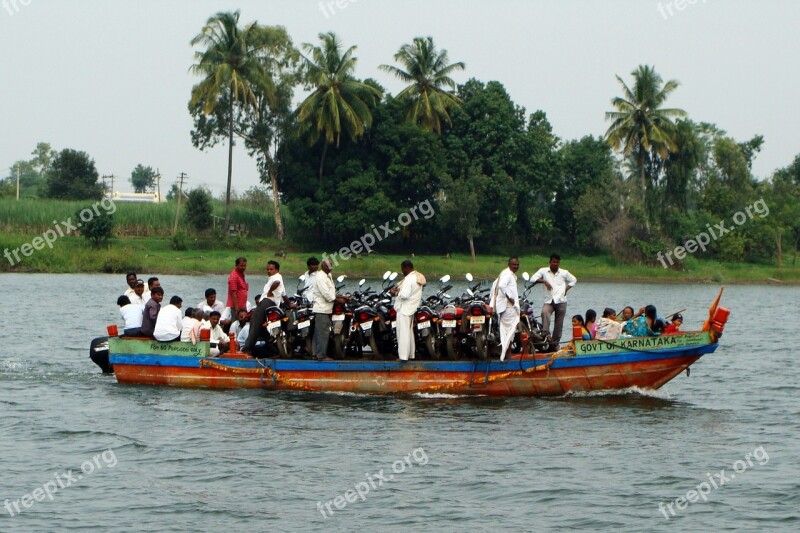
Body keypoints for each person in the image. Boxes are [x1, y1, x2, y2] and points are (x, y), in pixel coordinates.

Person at [242, 260, 296, 354]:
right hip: (271, 304)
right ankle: (273, 349)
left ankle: (247, 349)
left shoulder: (277, 277)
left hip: (266, 303)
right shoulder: (275, 278)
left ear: (277, 270)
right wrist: (289, 305)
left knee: (255, 324)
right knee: (262, 328)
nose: (269, 271)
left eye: (271, 269)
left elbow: (276, 283)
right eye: (267, 269)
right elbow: (284, 294)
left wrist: (270, 291)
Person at [530, 253, 577, 349]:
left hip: (561, 301)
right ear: (550, 262)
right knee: (545, 312)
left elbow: (574, 280)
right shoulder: (543, 271)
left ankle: (554, 344)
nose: (555, 264)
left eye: (557, 262)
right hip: (549, 301)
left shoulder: (564, 272)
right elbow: (532, 279)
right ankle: (545, 335)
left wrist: (566, 289)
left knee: (559, 324)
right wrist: (544, 281)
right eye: (554, 262)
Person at [390, 260, 425, 361]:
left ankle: (403, 357)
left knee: (403, 334)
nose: (402, 271)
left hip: (404, 309)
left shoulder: (409, 279)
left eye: (402, 269)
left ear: (406, 268)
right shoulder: (418, 277)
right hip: (411, 308)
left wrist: (395, 293)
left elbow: (404, 295)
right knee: (409, 333)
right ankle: (411, 355)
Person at [311, 259, 344, 361]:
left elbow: (330, 292)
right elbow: (326, 295)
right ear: (322, 266)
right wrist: (338, 299)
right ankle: (321, 356)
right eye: (327, 266)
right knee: (323, 333)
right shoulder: (321, 277)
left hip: (326, 308)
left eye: (331, 266)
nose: (330, 268)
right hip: (322, 309)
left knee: (318, 333)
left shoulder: (328, 275)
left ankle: (315, 354)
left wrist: (340, 296)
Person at [489, 257, 521, 361]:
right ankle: (507, 354)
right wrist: (509, 297)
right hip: (508, 306)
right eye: (513, 264)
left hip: (504, 306)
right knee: (509, 330)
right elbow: (502, 286)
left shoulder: (506, 273)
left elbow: (495, 287)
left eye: (517, 264)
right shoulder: (507, 274)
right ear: (509, 264)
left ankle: (506, 353)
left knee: (508, 330)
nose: (516, 266)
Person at [226, 257, 249, 323]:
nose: (243, 267)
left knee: (244, 322)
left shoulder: (242, 274)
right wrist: (236, 309)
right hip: (236, 307)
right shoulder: (234, 276)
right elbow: (233, 294)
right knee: (236, 323)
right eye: (241, 266)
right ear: (236, 265)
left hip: (243, 305)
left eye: (244, 266)